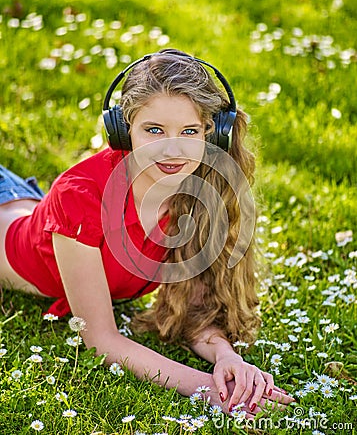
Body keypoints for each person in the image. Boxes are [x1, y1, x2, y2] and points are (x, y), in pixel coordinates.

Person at [0, 49, 294, 417]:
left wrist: (226, 359)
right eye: (154, 130)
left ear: (212, 135)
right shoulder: (80, 197)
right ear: (123, 131)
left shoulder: (198, 192)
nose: (172, 149)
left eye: (189, 131)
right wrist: (210, 391)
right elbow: (101, 340)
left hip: (23, 201)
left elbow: (193, 311)